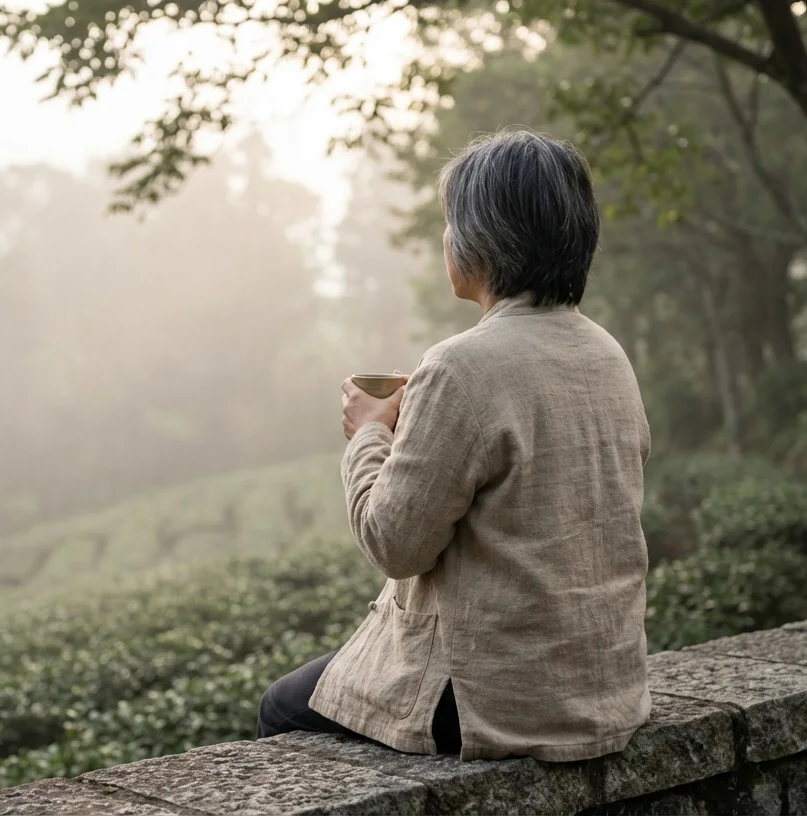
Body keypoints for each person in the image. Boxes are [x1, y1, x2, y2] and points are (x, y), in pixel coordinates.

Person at [255, 128, 652, 762]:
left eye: (451, 223)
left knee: (282, 706)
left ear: (481, 244)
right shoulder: (606, 353)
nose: (446, 238)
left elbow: (396, 544)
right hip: (601, 683)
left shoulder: (462, 366)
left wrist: (369, 435)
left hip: (498, 695)